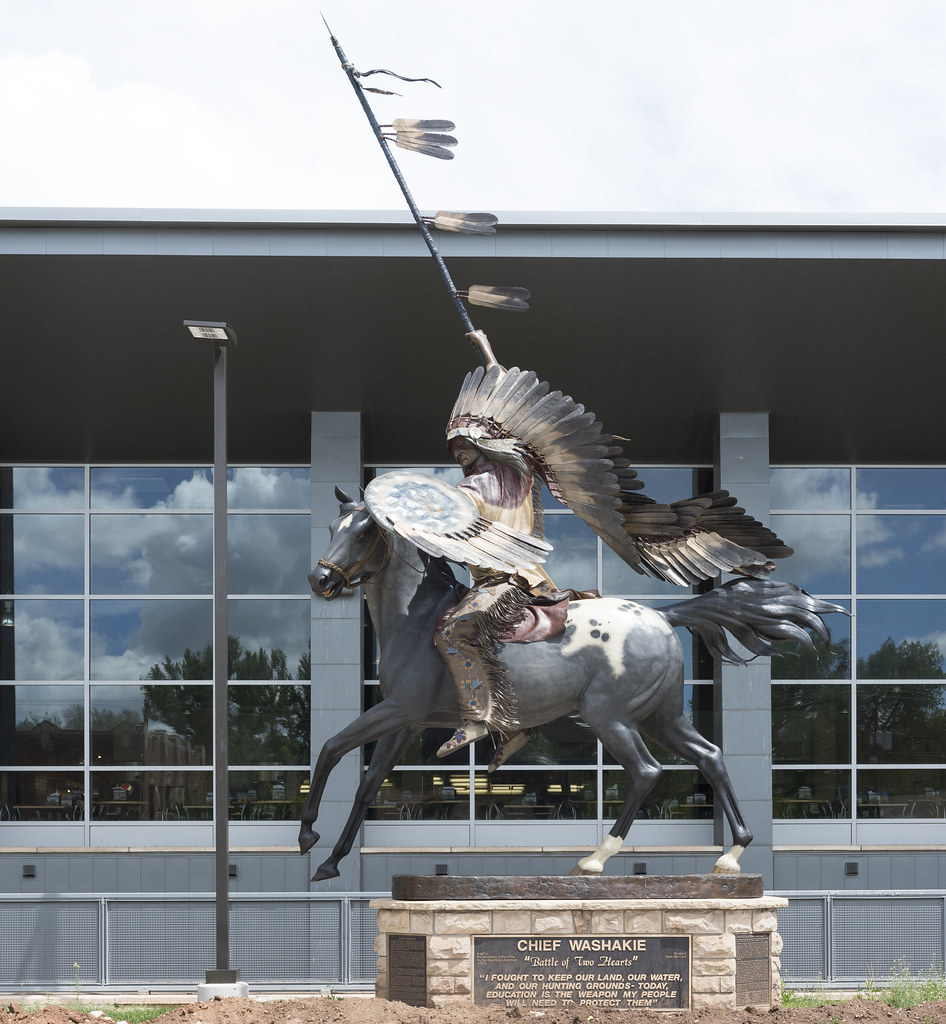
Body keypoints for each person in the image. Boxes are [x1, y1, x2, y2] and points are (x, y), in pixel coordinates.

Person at [433, 331, 555, 760]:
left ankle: (476, 719)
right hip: (498, 580)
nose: (457, 453)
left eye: (462, 444)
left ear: (483, 440)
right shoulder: (510, 477)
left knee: (451, 633)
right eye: (453, 449)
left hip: (507, 581)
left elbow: (505, 403)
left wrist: (487, 353)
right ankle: (510, 733)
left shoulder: (497, 477)